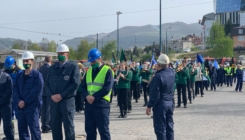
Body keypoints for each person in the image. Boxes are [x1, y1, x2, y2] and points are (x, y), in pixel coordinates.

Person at [45, 44, 80, 140]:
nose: (60, 55)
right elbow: (47, 84)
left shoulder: (73, 66)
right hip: (54, 102)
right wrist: (51, 96)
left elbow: (75, 84)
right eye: (59, 53)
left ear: (67, 54)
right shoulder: (53, 68)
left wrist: (61, 95)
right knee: (55, 126)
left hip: (67, 101)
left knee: (68, 127)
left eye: (62, 53)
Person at [80, 48, 114, 140]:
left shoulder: (108, 71)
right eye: (91, 62)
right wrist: (87, 96)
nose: (92, 64)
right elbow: (82, 87)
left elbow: (107, 88)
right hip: (89, 105)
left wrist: (94, 97)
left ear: (100, 59)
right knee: (90, 131)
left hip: (101, 105)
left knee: (103, 131)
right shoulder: (89, 71)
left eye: (94, 61)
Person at [14, 51, 44, 140]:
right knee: (22, 132)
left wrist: (25, 102)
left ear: (32, 62)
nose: (25, 63)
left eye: (27, 61)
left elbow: (36, 92)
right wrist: (19, 101)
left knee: (34, 131)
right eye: (24, 61)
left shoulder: (37, 76)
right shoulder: (19, 76)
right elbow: (15, 90)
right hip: (21, 108)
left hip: (32, 108)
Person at [146, 54, 174, 140]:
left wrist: (149, 105)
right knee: (169, 128)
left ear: (158, 64)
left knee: (160, 129)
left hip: (160, 105)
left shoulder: (158, 76)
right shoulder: (172, 73)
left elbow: (155, 94)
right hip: (170, 102)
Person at [4, 56, 22, 128]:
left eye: (9, 67)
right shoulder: (5, 72)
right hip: (8, 97)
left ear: (14, 64)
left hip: (17, 96)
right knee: (10, 116)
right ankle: (10, 132)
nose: (8, 68)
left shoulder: (19, 72)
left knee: (19, 115)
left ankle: (22, 133)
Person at [38, 55, 52, 133]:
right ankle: (47, 126)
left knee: (43, 110)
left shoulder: (40, 68)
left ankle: (43, 126)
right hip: (49, 92)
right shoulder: (51, 68)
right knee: (48, 110)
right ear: (50, 61)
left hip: (41, 92)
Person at [0, 69, 15, 140]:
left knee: (7, 126)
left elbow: (8, 93)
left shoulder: (6, 77)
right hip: (3, 104)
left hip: (6, 106)